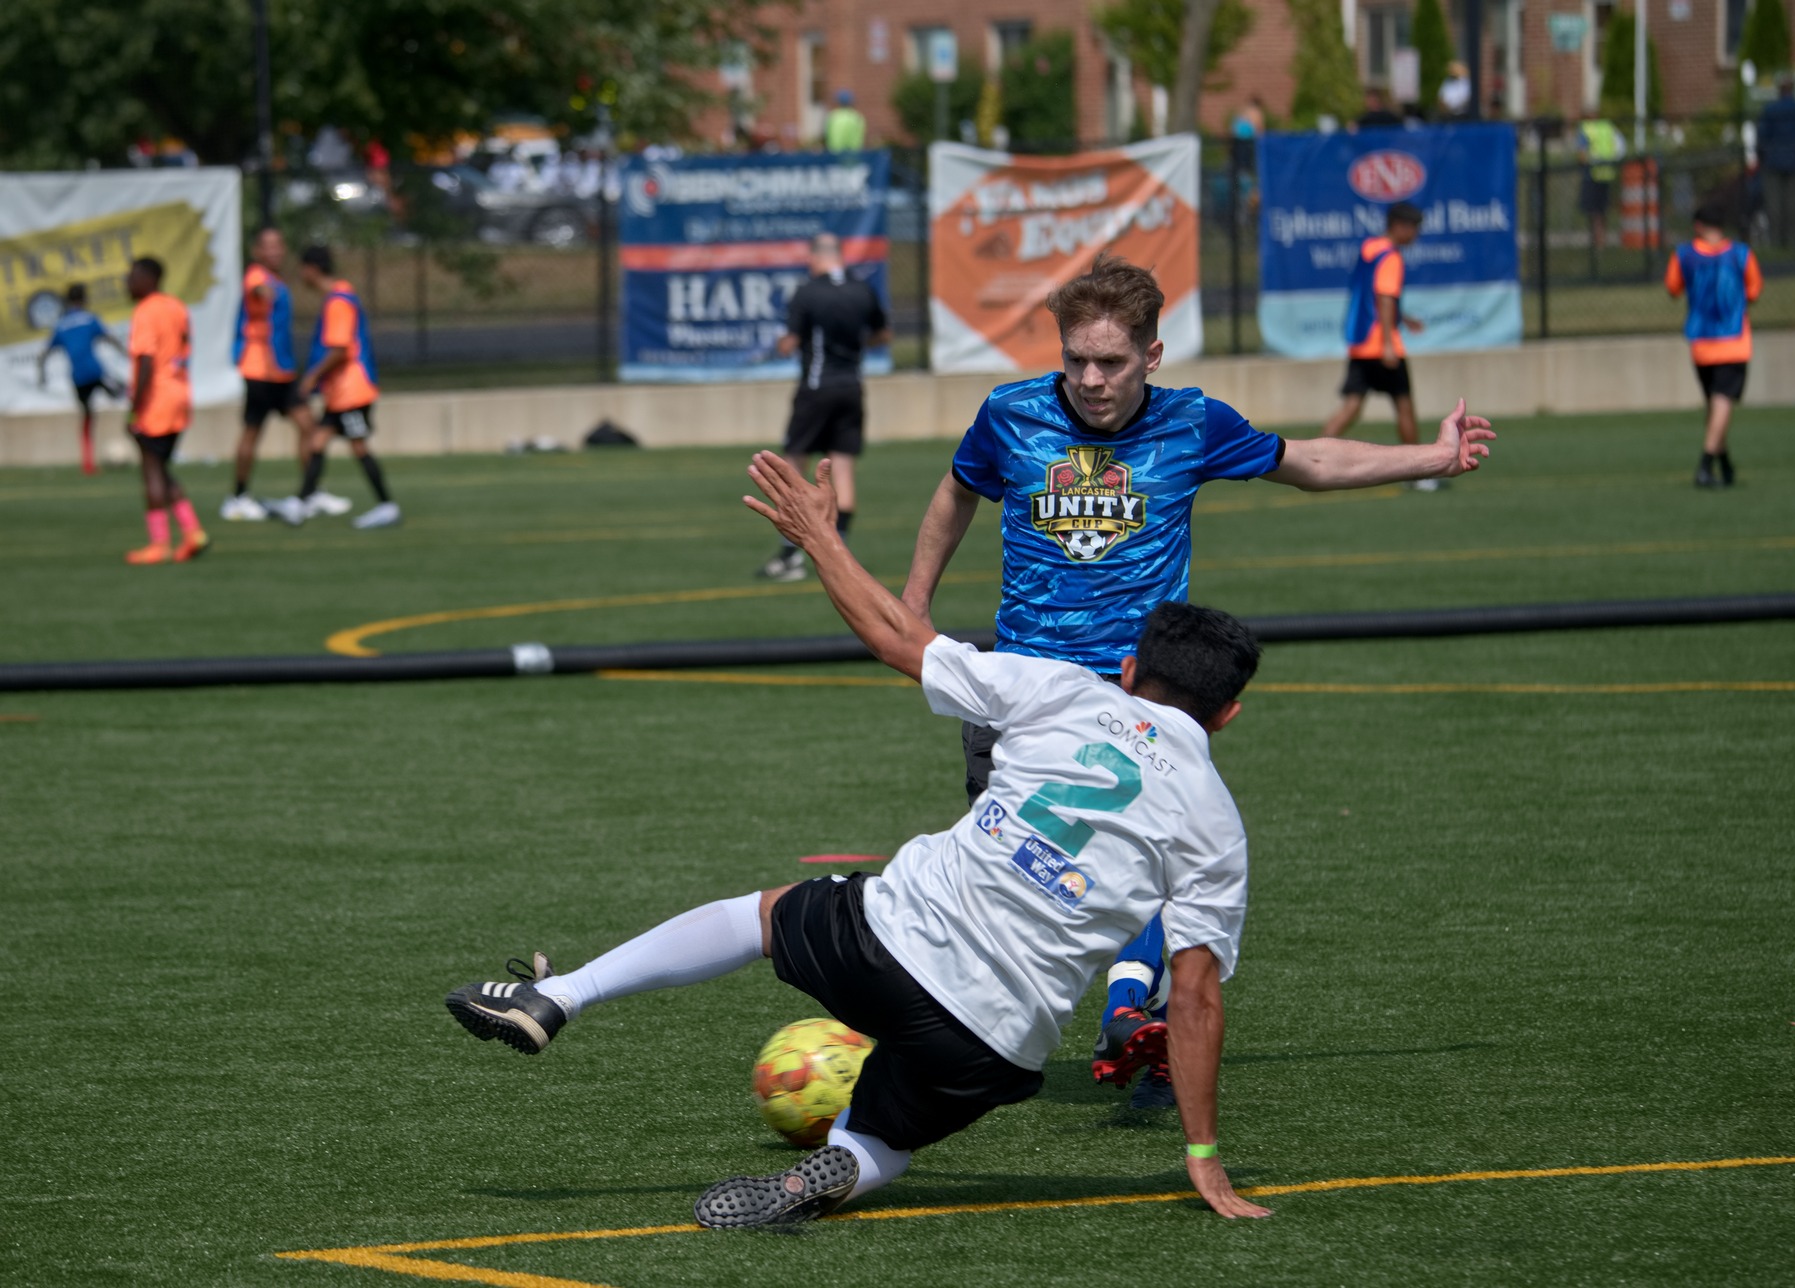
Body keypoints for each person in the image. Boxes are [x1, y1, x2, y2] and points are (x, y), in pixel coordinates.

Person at [446, 451, 1275, 1227]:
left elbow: (894, 638)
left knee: (760, 917)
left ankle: (560, 996)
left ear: (1130, 670)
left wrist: (818, 536)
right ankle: (833, 1167)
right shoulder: (1216, 822)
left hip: (891, 943)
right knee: (890, 1133)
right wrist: (1202, 1155)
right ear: (1229, 715)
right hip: (995, 1041)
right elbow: (1195, 995)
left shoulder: (1063, 688)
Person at [898, 253, 1495, 1108]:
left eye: (1112, 361)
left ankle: (1134, 1013)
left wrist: (1430, 456)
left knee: (1160, 861)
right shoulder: (1009, 415)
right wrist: (916, 604)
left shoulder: (1192, 425)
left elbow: (1313, 463)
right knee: (1021, 877)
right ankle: (956, 1029)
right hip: (1022, 692)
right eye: (1076, 360)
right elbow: (957, 493)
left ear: (1153, 353)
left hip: (1141, 694)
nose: (1092, 380)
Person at [756, 231, 890, 581]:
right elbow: (882, 334)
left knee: (792, 466)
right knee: (842, 469)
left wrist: (782, 345)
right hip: (851, 388)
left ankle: (789, 557)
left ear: (816, 257)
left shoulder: (807, 291)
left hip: (816, 389)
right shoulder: (863, 289)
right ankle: (840, 552)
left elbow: (791, 342)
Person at [266, 246, 399, 529]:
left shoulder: (338, 302)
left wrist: (312, 377)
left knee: (359, 447)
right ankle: (301, 503)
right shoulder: (339, 296)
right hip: (340, 393)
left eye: (303, 268)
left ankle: (387, 506)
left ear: (312, 269)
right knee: (317, 442)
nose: (302, 275)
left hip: (352, 392)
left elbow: (339, 350)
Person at [225, 228, 339, 521]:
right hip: (260, 371)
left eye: (279, 245)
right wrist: (263, 293)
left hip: (282, 372)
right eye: (269, 246)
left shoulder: (277, 280)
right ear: (257, 251)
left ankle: (310, 492)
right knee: (253, 432)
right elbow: (255, 289)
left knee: (308, 427)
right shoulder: (257, 276)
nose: (275, 251)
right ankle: (237, 497)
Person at [1320, 202, 1430, 479]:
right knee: (1404, 405)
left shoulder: (1370, 249)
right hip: (1382, 345)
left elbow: (1374, 296)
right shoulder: (1391, 257)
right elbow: (1383, 298)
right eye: (1414, 228)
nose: (1416, 234)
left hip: (1360, 343)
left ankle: (1315, 460)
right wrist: (1389, 345)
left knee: (1352, 407)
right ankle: (1417, 474)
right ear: (1399, 227)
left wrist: (1403, 318)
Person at [1665, 203, 1761, 489]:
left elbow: (1672, 288)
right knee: (1721, 404)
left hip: (1701, 343)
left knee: (1716, 406)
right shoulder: (1741, 254)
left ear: (1697, 226)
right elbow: (1754, 291)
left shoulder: (1684, 255)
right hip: (1733, 341)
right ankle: (1706, 464)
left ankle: (1724, 463)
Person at [121, 257, 209, 565]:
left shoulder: (145, 311)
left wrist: (133, 411)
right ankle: (192, 531)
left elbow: (145, 362)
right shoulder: (176, 307)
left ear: (149, 278)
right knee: (161, 467)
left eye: (132, 277)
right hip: (179, 395)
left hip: (155, 400)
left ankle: (159, 544)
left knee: (151, 470)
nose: (127, 283)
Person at [37, 284, 124, 476]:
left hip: (78, 378)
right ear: (84, 299)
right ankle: (143, 440)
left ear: (68, 301)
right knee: (125, 394)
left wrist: (41, 375)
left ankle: (87, 464)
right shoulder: (89, 319)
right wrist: (125, 352)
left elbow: (44, 354)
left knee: (87, 417)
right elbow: (109, 338)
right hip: (96, 373)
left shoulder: (61, 325)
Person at [1758, 78, 1795, 250]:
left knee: (1774, 206)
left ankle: (1776, 242)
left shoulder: (1770, 111)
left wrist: (1763, 159)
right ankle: (1793, 242)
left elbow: (1762, 137)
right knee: (1794, 206)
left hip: (1773, 162)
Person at [1577, 116, 1626, 255]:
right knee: (1602, 211)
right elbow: (1620, 147)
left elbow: (1582, 154)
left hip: (1592, 174)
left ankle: (1597, 244)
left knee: (1594, 212)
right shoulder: (1608, 127)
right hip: (1607, 174)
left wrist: (1590, 160)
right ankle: (1602, 241)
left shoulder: (1586, 129)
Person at [825, 89, 866, 154]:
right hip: (853, 153)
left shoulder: (833, 116)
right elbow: (860, 135)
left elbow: (828, 134)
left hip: (835, 153)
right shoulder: (857, 117)